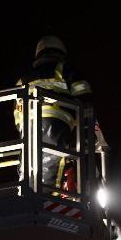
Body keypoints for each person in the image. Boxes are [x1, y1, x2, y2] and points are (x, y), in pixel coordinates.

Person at [15, 35, 93, 195]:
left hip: (28, 127)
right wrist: (85, 132)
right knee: (52, 164)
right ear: (61, 52)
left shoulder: (23, 78)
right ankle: (47, 200)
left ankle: (26, 197)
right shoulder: (66, 71)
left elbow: (16, 112)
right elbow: (85, 98)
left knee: (29, 166)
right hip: (56, 123)